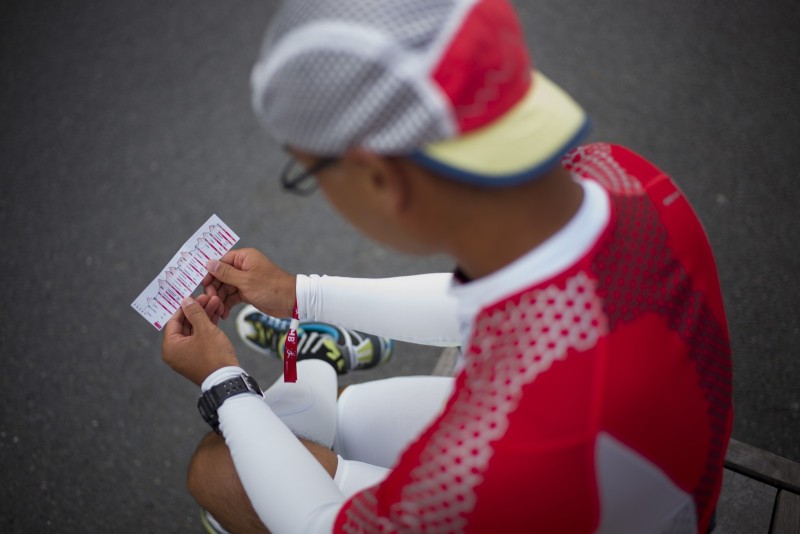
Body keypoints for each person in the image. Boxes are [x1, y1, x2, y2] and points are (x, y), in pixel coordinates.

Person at [161, 0, 733, 532]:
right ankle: (317, 352)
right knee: (335, 415)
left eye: (309, 175)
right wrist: (300, 294)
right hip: (634, 464)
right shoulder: (619, 175)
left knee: (219, 472)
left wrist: (222, 382)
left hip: (556, 469)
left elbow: (321, 526)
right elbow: (489, 302)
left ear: (382, 180)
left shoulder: (489, 459)